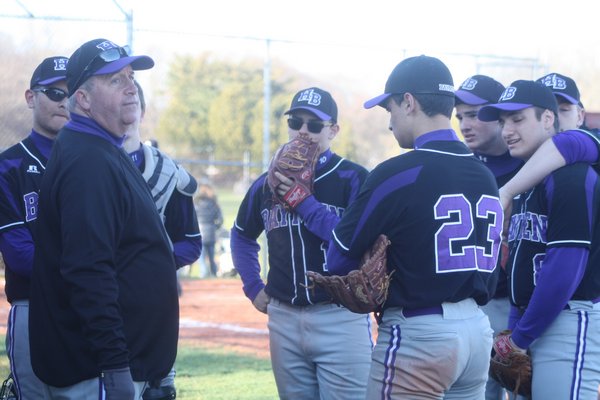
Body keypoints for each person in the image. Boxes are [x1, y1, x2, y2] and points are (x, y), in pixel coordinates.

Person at [327, 55, 503, 399]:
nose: (390, 122)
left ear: (409, 102)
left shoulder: (398, 172)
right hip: (477, 330)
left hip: (419, 332)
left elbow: (338, 258)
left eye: (390, 108)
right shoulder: (484, 174)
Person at [28, 38, 179, 399]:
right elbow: (88, 271)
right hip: (96, 373)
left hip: (116, 367)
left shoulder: (100, 150)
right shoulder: (88, 162)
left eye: (131, 76)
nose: (131, 87)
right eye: (115, 80)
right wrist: (115, 368)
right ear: (83, 99)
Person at [231, 87, 372, 399]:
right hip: (283, 318)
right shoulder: (265, 184)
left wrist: (303, 202)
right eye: (296, 121)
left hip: (340, 316)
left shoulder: (354, 178)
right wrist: (253, 287)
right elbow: (241, 235)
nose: (304, 131)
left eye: (315, 124)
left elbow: (353, 242)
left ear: (333, 130)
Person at [478, 80, 600, 398]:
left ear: (548, 120)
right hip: (538, 322)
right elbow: (520, 268)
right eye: (503, 121)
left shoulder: (572, 176)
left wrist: (519, 339)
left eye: (518, 119)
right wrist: (517, 332)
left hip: (571, 318)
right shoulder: (527, 182)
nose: (507, 130)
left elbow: (565, 268)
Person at [123, 81, 202, 399]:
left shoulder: (168, 172)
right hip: (94, 302)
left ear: (143, 110)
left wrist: (150, 262)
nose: (126, 107)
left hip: (154, 308)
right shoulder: (83, 163)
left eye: (133, 100)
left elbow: (192, 242)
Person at [0, 56, 69, 399]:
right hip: (33, 306)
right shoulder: (8, 165)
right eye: (55, 92)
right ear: (31, 98)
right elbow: (18, 254)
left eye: (73, 93)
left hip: (90, 306)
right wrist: (89, 269)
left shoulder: (97, 161)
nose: (64, 102)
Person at [454, 74, 521, 400]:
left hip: (518, 304)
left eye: (474, 114)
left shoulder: (534, 162)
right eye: (460, 116)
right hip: (471, 304)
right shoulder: (458, 166)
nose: (465, 124)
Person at [196, 182, 223, 277]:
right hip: (211, 232)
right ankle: (214, 273)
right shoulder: (214, 204)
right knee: (212, 256)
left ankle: (203, 273)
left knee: (202, 257)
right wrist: (215, 227)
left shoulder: (197, 204)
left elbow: (192, 219)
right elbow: (220, 220)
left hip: (200, 232)